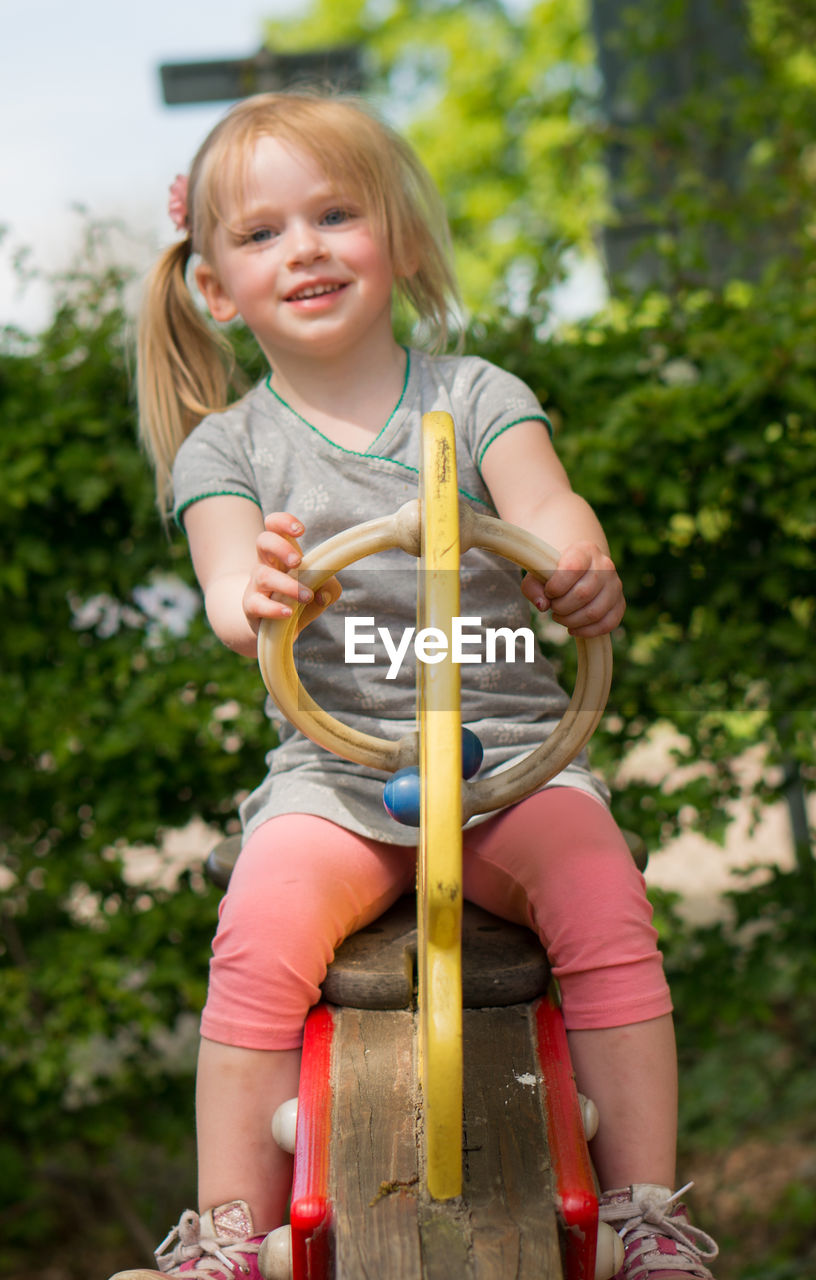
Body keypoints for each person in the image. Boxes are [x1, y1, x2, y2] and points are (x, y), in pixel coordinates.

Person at [113, 91, 718, 1280]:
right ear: (214, 287)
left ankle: (645, 1212)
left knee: (604, 906)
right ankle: (230, 1230)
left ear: (392, 237)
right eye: (263, 231)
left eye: (335, 213)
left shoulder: (474, 393)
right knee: (256, 938)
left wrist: (578, 565)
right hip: (338, 777)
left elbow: (545, 506)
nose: (307, 247)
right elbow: (226, 587)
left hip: (508, 760)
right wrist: (264, 591)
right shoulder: (224, 449)